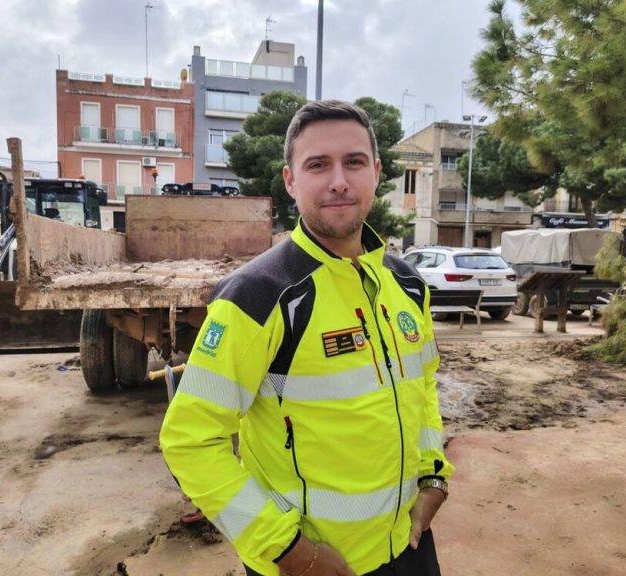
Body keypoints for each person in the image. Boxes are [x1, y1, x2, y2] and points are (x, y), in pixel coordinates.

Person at [159, 100, 453, 576]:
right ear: (291, 180)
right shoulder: (257, 296)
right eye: (318, 165)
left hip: (410, 546)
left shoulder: (407, 285)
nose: (339, 181)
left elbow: (423, 388)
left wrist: (433, 476)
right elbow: (189, 441)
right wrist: (289, 550)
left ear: (376, 173)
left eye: (354, 162)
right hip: (311, 563)